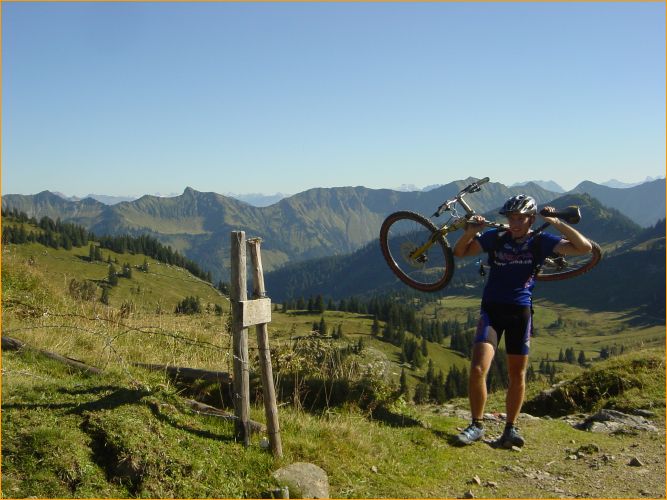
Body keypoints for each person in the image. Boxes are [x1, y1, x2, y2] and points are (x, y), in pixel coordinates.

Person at [451, 194, 592, 448]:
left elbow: (585, 248)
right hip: (492, 311)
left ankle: (510, 429)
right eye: (511, 218)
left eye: (520, 218)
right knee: (477, 369)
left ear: (530, 219)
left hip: (520, 313)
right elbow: (459, 252)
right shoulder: (496, 238)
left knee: (517, 374)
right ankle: (476, 425)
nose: (515, 223)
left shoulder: (540, 242)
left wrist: (554, 221)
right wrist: (471, 232)